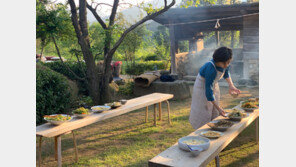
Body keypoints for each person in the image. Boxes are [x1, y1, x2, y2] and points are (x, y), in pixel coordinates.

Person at [189, 47, 241, 129]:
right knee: (204, 109)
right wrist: (219, 108)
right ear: (217, 60)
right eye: (224, 63)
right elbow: (209, 92)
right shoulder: (211, 68)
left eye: (228, 62)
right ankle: (202, 131)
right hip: (202, 87)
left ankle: (213, 128)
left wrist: (231, 86)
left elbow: (226, 73)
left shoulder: (224, 63)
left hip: (214, 84)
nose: (226, 65)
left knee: (214, 110)